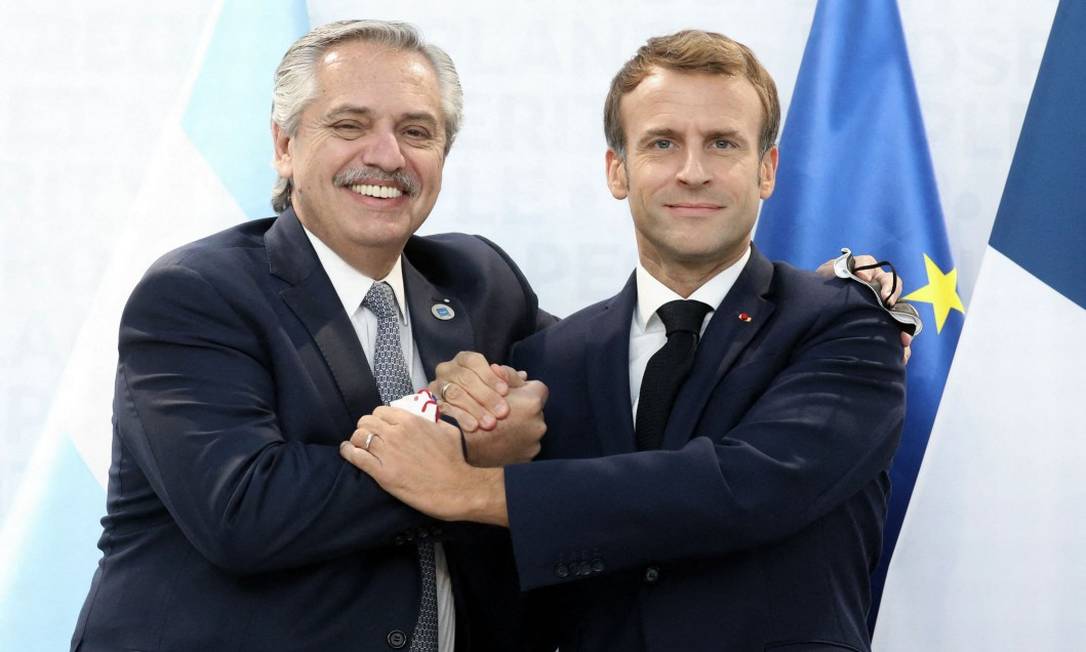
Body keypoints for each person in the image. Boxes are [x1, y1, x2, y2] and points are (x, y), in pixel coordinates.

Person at [342, 29, 909, 652]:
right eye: (663, 143)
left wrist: (471, 488)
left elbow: (745, 489)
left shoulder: (847, 325)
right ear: (618, 169)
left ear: (767, 169)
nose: (693, 172)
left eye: (722, 144)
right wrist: (474, 436)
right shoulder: (547, 359)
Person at [71, 20, 553, 652]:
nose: (386, 156)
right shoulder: (196, 294)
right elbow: (246, 511)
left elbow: (593, 384)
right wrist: (467, 449)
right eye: (349, 125)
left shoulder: (479, 281)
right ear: (284, 144)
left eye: (416, 132)